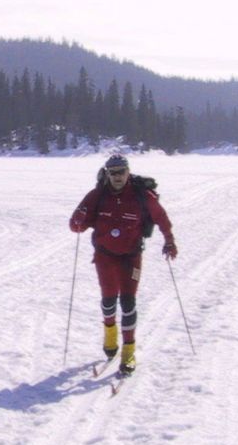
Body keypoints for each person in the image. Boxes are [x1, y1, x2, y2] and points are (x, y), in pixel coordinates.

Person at [68, 153, 177, 376]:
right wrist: (78, 219)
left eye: (121, 172)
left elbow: (162, 218)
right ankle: (110, 338)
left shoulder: (142, 196)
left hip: (131, 257)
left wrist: (169, 241)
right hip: (104, 257)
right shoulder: (97, 195)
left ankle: (128, 353)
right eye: (113, 173)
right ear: (107, 174)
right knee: (108, 302)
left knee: (128, 303)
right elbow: (76, 225)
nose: (117, 177)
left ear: (128, 172)